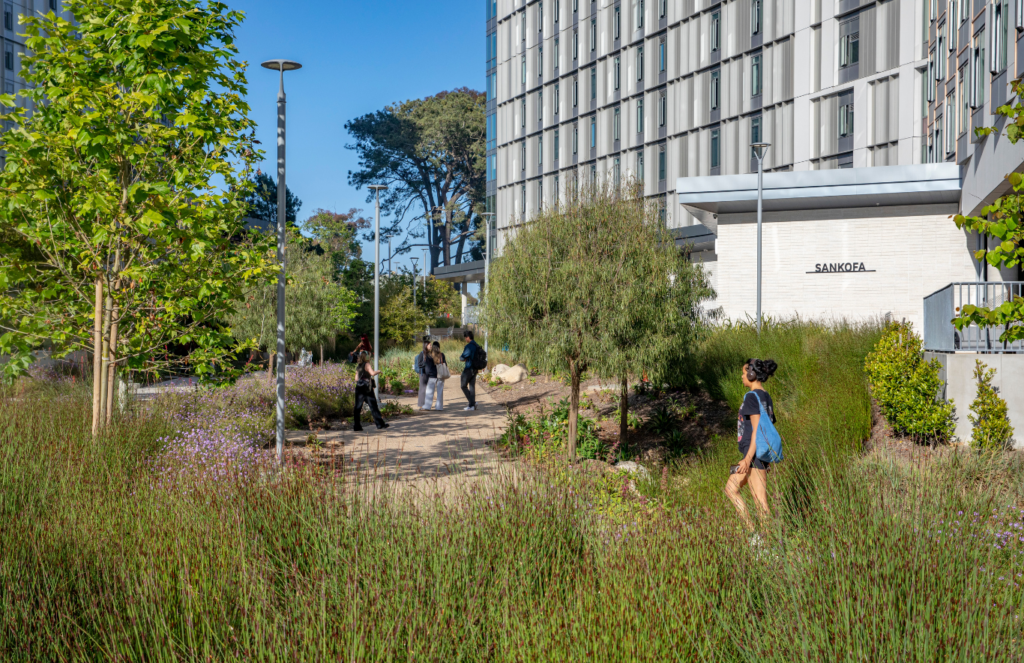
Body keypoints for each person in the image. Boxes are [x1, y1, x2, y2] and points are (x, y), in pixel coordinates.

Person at [724, 358, 778, 534]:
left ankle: (769, 546)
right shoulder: (766, 396)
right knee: (731, 489)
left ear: (752, 374)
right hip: (753, 455)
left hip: (753, 456)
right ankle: (753, 533)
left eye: (743, 372)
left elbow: (757, 430)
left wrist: (748, 459)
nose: (741, 376)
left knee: (760, 501)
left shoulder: (751, 397)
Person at [353, 351, 389, 432]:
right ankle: (380, 424)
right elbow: (372, 373)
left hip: (359, 388)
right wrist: (378, 371)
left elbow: (356, 379)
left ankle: (357, 426)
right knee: (373, 406)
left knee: (357, 408)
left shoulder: (358, 366)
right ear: (365, 357)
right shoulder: (367, 364)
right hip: (367, 389)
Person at [459, 330, 481, 411]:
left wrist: (463, 358)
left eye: (465, 338)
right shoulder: (477, 345)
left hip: (469, 368)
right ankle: (472, 405)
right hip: (475, 369)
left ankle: (472, 403)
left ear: (468, 337)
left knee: (463, 385)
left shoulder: (469, 346)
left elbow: (462, 357)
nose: (465, 339)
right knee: (472, 387)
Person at [422, 341, 447, 411]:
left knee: (429, 392)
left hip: (432, 375)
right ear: (439, 347)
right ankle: (439, 407)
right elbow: (445, 364)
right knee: (440, 392)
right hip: (440, 375)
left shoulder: (429, 355)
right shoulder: (442, 355)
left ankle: (427, 406)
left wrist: (427, 376)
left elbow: (428, 367)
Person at [414, 339, 430, 409]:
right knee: (422, 389)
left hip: (428, 373)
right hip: (423, 373)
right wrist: (426, 364)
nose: (431, 346)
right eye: (430, 345)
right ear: (426, 345)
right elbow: (419, 363)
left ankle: (425, 404)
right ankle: (421, 405)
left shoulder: (429, 353)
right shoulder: (422, 353)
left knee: (427, 389)